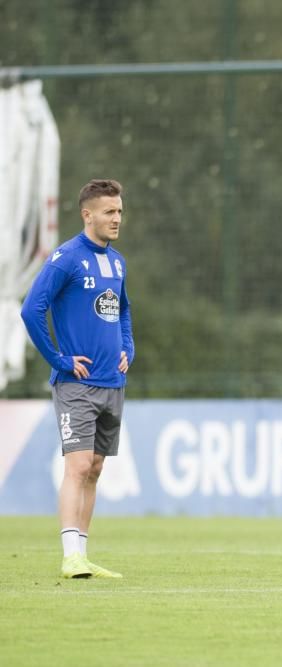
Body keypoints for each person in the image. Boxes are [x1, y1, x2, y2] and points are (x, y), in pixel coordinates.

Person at [21, 179, 134, 579]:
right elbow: (31, 310)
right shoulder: (66, 258)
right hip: (76, 384)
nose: (117, 218)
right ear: (88, 215)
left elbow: (122, 311)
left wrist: (128, 350)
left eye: (119, 211)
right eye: (109, 211)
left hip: (112, 382)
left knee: (97, 467)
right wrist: (58, 358)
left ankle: (82, 554)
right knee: (79, 463)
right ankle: (69, 556)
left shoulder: (117, 262)